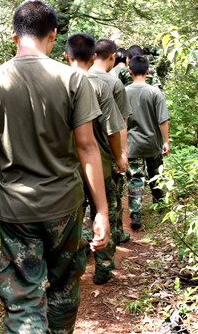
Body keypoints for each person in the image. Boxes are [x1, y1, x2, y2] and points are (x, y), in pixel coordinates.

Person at [0, 0, 109, 333]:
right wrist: (101, 211)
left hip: (16, 210)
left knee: (23, 296)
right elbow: (87, 147)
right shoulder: (74, 80)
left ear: (14, 35)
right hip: (64, 205)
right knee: (64, 285)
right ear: (53, 35)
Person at [64, 33, 127, 285]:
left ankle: (74, 262)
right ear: (93, 57)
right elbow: (114, 129)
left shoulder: (58, 83)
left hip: (68, 168)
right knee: (106, 212)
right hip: (100, 165)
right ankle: (103, 266)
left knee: (73, 217)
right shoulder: (102, 86)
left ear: (65, 56)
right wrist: (119, 156)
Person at [90, 38, 132, 246]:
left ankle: (84, 242)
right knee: (110, 200)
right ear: (113, 56)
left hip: (77, 155)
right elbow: (120, 124)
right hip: (107, 153)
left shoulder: (74, 77)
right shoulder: (114, 83)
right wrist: (122, 154)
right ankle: (111, 239)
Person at [125, 55, 170, 230]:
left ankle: (135, 215)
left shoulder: (124, 92)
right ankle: (160, 205)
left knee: (135, 179)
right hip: (153, 143)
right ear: (148, 72)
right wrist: (166, 141)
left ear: (130, 72)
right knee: (155, 175)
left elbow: (120, 121)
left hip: (132, 144)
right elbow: (163, 119)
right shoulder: (155, 92)